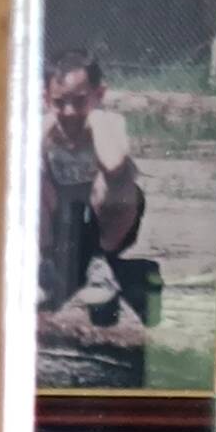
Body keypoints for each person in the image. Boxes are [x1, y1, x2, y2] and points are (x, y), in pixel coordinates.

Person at [38, 52, 148, 333]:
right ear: (46, 99)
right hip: (63, 227)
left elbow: (112, 162)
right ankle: (46, 266)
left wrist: (96, 119)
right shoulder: (45, 128)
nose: (70, 112)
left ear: (99, 94)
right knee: (31, 171)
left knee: (116, 180)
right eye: (60, 102)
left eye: (80, 101)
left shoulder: (110, 123)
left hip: (107, 226)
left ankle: (103, 266)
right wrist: (43, 133)